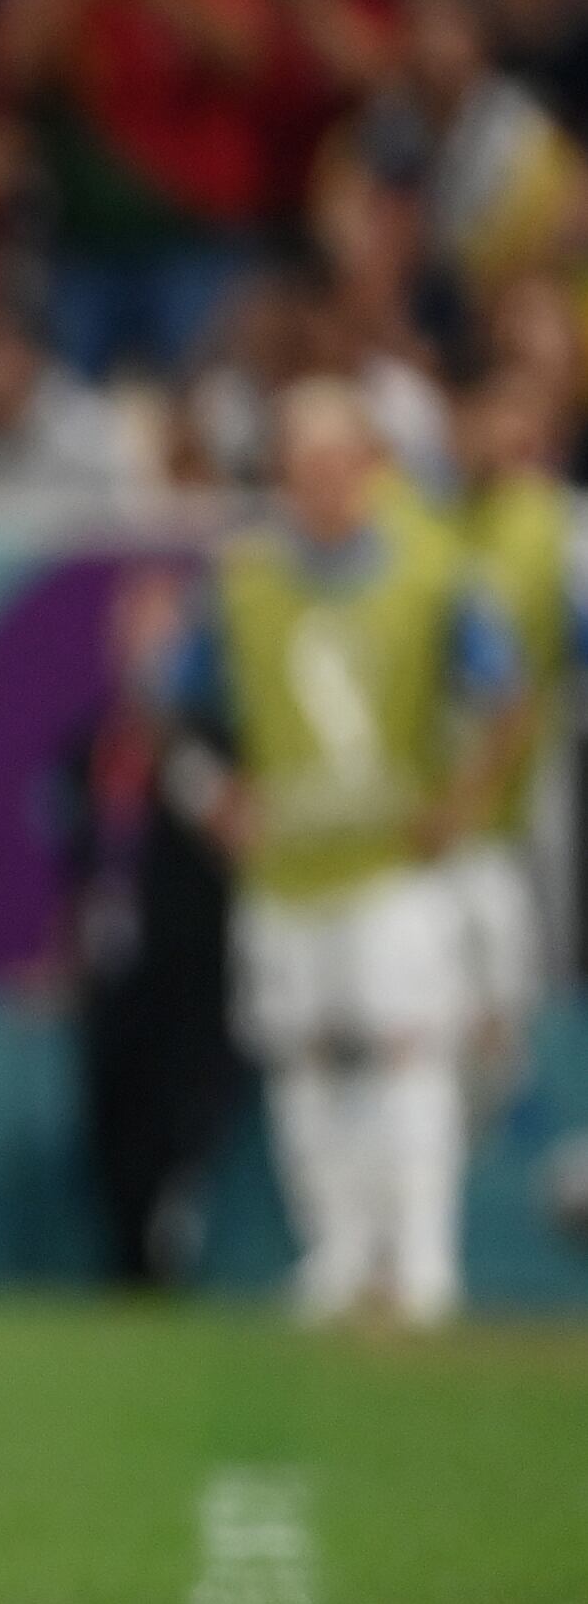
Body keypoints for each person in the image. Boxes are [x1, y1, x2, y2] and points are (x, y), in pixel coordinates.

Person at [184, 379, 527, 1326]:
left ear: (370, 469)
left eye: (338, 464)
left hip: (389, 864)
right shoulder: (243, 580)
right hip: (285, 867)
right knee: (299, 1059)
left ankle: (421, 1265)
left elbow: (505, 690)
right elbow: (171, 703)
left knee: (408, 1050)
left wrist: (462, 804)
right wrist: (215, 801)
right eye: (303, 467)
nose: (322, 485)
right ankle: (334, 1252)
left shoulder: (430, 571)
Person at [442, 372, 575, 1124]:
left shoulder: (553, 526)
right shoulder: (414, 519)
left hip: (524, 802)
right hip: (431, 812)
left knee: (525, 986)